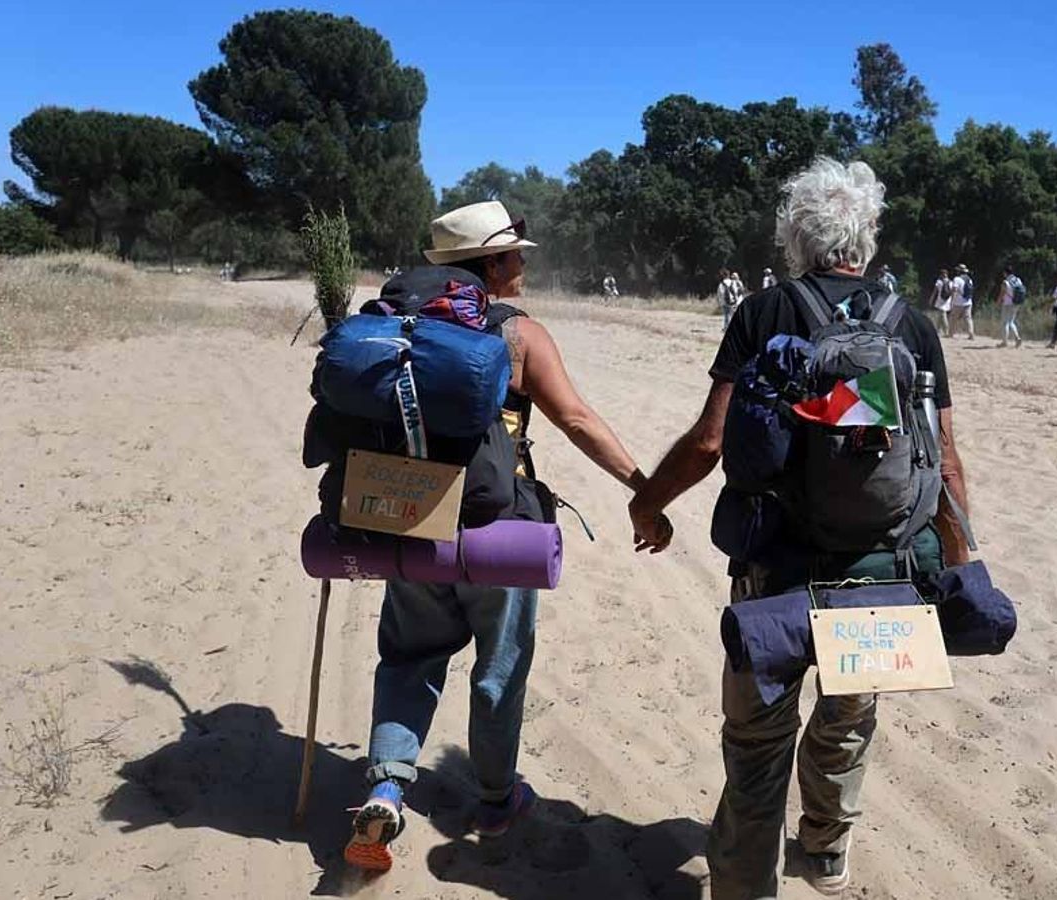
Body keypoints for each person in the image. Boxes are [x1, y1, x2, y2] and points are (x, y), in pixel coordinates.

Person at [627, 158, 972, 899]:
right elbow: (944, 460)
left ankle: (745, 887)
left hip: (775, 571)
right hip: (880, 575)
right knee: (847, 718)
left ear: (796, 236)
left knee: (756, 747)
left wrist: (648, 502)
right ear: (866, 237)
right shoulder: (909, 324)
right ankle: (822, 847)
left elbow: (710, 441)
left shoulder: (762, 313)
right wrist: (959, 559)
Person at [343, 201, 666, 872]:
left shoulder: (400, 324)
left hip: (411, 517)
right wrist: (645, 486)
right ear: (490, 264)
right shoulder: (519, 334)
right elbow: (575, 419)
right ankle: (495, 799)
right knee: (499, 668)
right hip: (498, 528)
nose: (523, 264)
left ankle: (385, 783)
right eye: (517, 255)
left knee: (408, 658)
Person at [998, 266, 1025, 348]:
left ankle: (1004, 342)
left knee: (1005, 322)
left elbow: (1002, 293)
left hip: (1007, 303)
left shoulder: (1005, 282)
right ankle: (1017, 338)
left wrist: (999, 301)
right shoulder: (1018, 280)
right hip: (1016, 302)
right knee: (1011, 321)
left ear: (1006, 273)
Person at [950, 264, 975, 339]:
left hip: (958, 302)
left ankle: (951, 333)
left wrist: (952, 301)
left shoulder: (957, 279)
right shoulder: (969, 280)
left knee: (953, 318)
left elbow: (954, 290)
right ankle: (971, 333)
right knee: (968, 318)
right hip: (968, 302)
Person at [930, 267, 953, 334]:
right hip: (947, 301)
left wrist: (931, 299)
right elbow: (952, 292)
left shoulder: (939, 282)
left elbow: (935, 291)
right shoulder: (950, 282)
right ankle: (938, 330)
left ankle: (946, 330)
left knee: (943, 315)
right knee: (941, 315)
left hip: (940, 300)